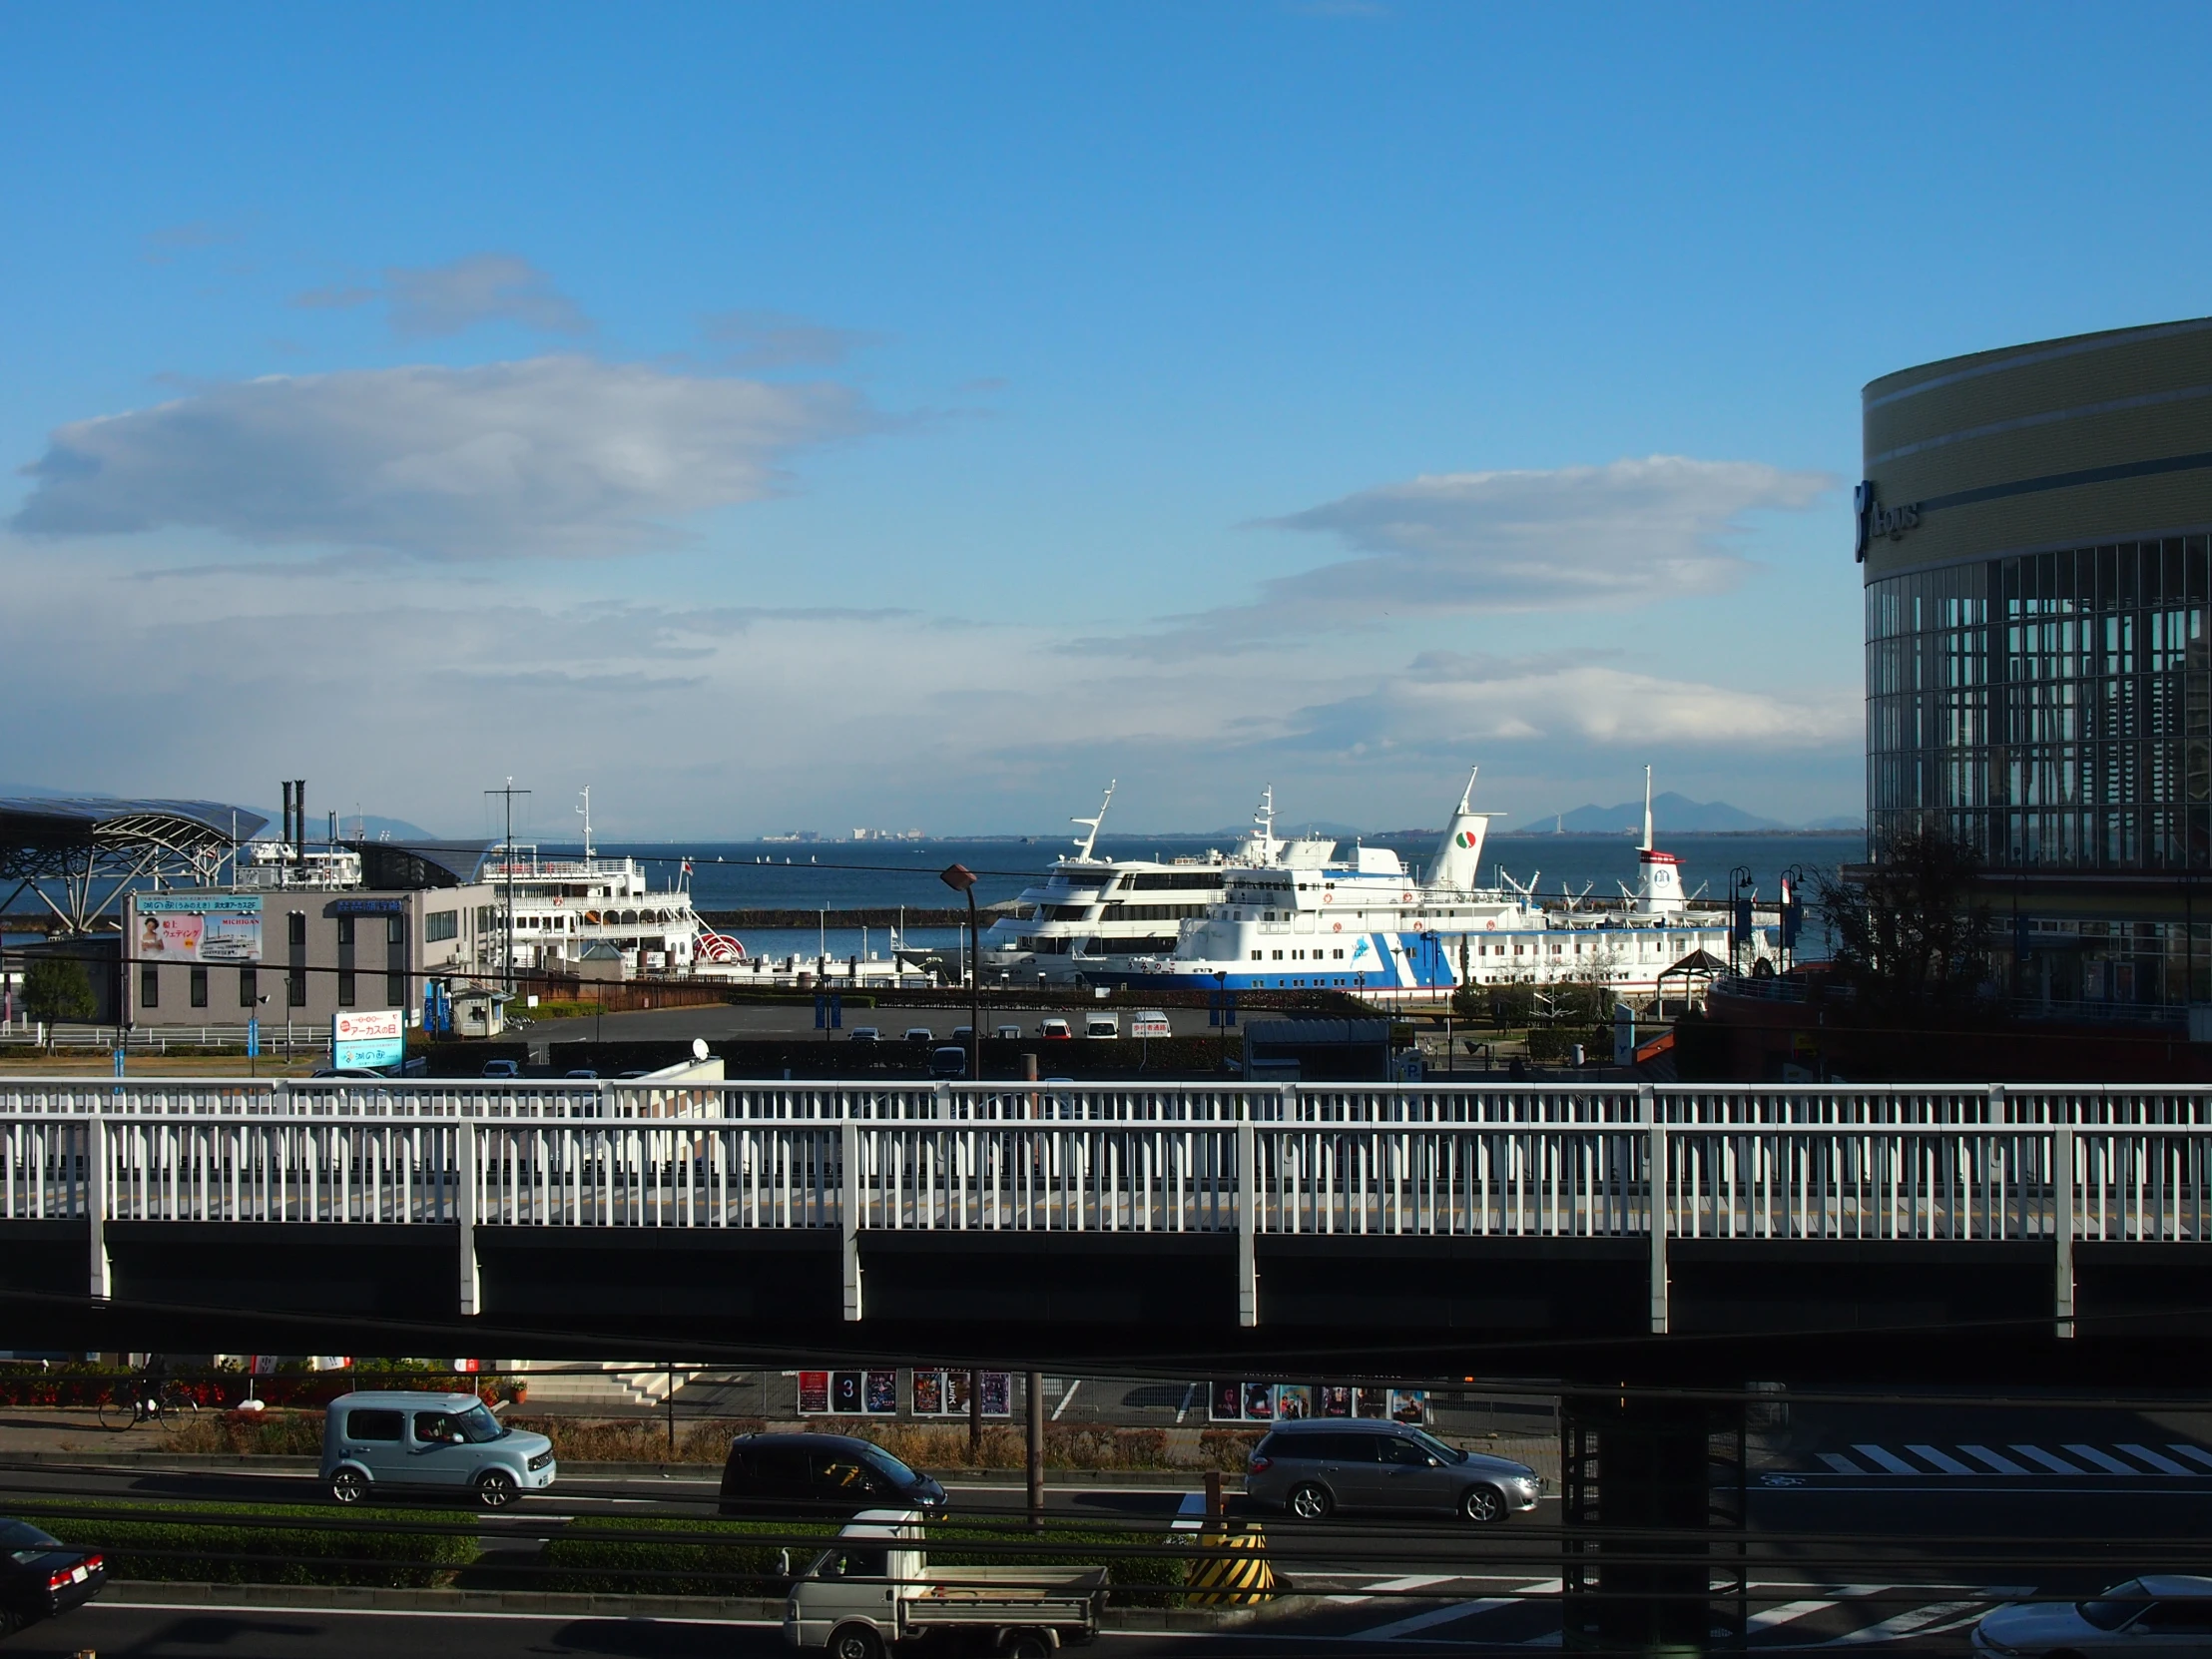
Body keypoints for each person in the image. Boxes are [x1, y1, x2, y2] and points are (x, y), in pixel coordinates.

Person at [136, 1354, 169, 1421]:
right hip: (157, 1380)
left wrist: (143, 1373)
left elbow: (152, 1369)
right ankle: (161, 1404)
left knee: (145, 1393)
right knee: (150, 1393)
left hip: (158, 1381)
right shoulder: (156, 1355)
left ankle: (145, 1415)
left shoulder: (157, 1355)